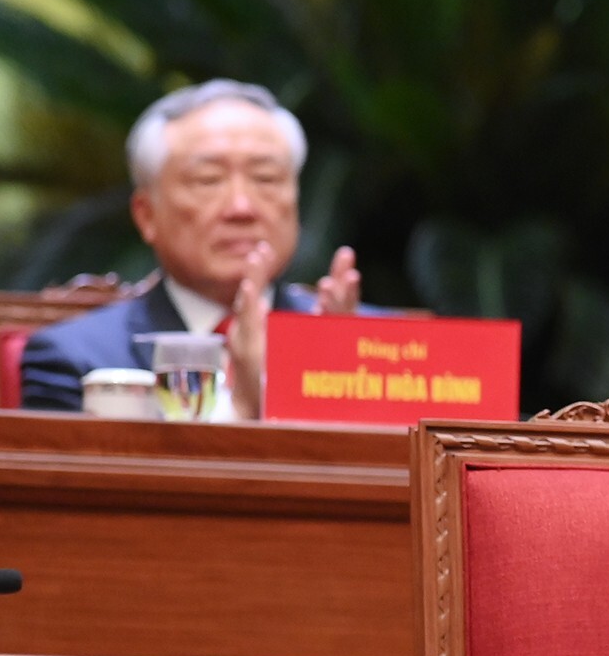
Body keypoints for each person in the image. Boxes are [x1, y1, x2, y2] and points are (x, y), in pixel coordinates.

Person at [19, 79, 362, 418]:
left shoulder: (371, 347)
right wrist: (244, 410)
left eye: (266, 178)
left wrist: (340, 381)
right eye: (208, 180)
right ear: (146, 215)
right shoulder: (75, 360)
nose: (241, 207)